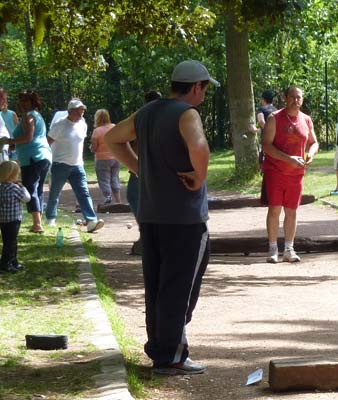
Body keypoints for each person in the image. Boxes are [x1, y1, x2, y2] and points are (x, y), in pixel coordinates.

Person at [105, 59, 215, 375]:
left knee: (157, 285)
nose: (204, 95)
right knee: (180, 286)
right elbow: (200, 146)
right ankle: (171, 356)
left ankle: (161, 349)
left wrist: (138, 167)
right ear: (196, 87)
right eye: (205, 89)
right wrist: (199, 177)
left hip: (152, 215)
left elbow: (113, 138)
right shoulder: (187, 114)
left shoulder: (147, 112)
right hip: (185, 218)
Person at [261, 86, 318, 263]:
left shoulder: (306, 119)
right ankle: (272, 249)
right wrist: (288, 159)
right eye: (292, 97)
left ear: (302, 99)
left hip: (296, 174)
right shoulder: (274, 118)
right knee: (275, 209)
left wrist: (311, 154)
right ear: (285, 98)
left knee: (292, 211)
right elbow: (266, 145)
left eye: (299, 97)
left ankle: (289, 249)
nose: (296, 100)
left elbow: (314, 142)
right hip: (275, 171)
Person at [44, 99, 105, 233]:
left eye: (82, 111)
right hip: (60, 164)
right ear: (70, 111)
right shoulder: (60, 124)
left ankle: (91, 221)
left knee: (84, 193)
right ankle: (50, 219)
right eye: (77, 111)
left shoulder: (83, 124)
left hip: (78, 165)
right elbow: (47, 142)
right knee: (55, 193)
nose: (80, 114)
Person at [3, 91, 52, 234]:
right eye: (21, 100)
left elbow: (28, 137)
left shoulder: (29, 116)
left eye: (26, 100)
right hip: (44, 156)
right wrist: (14, 145)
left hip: (33, 157)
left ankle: (37, 224)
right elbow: (29, 138)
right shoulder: (37, 115)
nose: (23, 103)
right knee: (38, 189)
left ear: (32, 102)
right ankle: (38, 221)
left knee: (30, 189)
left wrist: (9, 141)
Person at [0, 161, 30, 273]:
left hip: (3, 219)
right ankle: (6, 263)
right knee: (11, 242)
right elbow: (27, 198)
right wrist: (23, 187)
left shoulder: (1, 187)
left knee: (7, 241)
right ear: (12, 175)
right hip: (13, 220)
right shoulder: (14, 188)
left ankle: (13, 261)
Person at [91, 109, 121, 205]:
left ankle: (108, 198)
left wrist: (91, 148)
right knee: (115, 178)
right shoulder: (114, 127)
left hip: (102, 159)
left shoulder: (97, 131)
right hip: (116, 157)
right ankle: (118, 201)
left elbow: (94, 148)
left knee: (104, 180)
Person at [0, 89, 19, 161]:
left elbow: (17, 126)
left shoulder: (12, 113)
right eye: (3, 99)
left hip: (11, 142)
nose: (5, 101)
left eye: (6, 99)